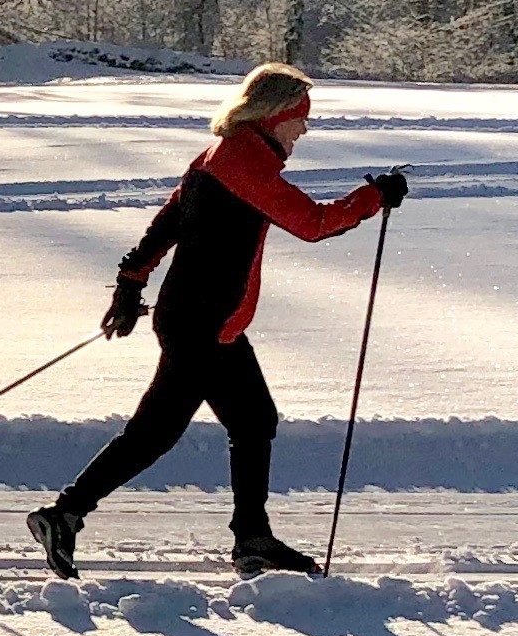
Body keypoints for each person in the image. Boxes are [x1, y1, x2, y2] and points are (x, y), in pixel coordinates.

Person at [27, 62, 404, 578]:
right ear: (274, 116)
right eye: (301, 118)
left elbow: (170, 220)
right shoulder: (245, 163)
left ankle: (252, 539)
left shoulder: (218, 156)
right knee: (154, 433)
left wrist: (131, 283)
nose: (306, 129)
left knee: (253, 421)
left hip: (209, 323)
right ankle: (64, 515)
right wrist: (375, 197)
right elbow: (314, 224)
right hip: (201, 325)